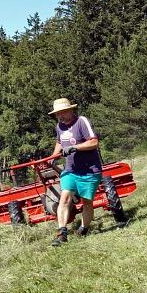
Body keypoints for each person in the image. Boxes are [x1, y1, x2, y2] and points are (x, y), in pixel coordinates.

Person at [48, 97, 102, 246]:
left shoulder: (81, 122)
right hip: (71, 170)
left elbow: (94, 142)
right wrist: (53, 156)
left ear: (71, 110)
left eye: (63, 112)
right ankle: (62, 233)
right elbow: (59, 142)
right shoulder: (59, 126)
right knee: (64, 198)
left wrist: (75, 147)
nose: (60, 116)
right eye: (58, 114)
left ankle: (84, 228)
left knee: (87, 202)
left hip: (90, 170)